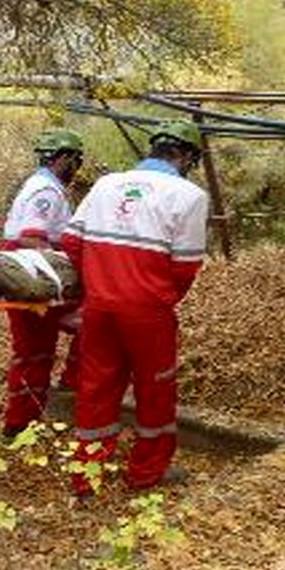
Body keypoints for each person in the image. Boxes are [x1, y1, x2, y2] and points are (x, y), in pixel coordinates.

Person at [60, 120, 209, 495]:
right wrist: (157, 297)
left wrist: (98, 281)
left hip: (99, 307)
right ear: (187, 156)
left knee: (95, 388)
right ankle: (146, 472)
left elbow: (72, 241)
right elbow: (185, 268)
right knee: (155, 390)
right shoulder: (190, 196)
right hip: (147, 311)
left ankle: (86, 475)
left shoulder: (106, 184)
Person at [0, 128, 85, 438]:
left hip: (27, 274)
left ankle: (26, 421)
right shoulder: (46, 192)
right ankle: (23, 424)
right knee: (38, 350)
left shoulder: (41, 186)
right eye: (75, 161)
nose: (76, 169)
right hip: (32, 277)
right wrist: (65, 267)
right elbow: (30, 238)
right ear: (63, 158)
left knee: (35, 351)